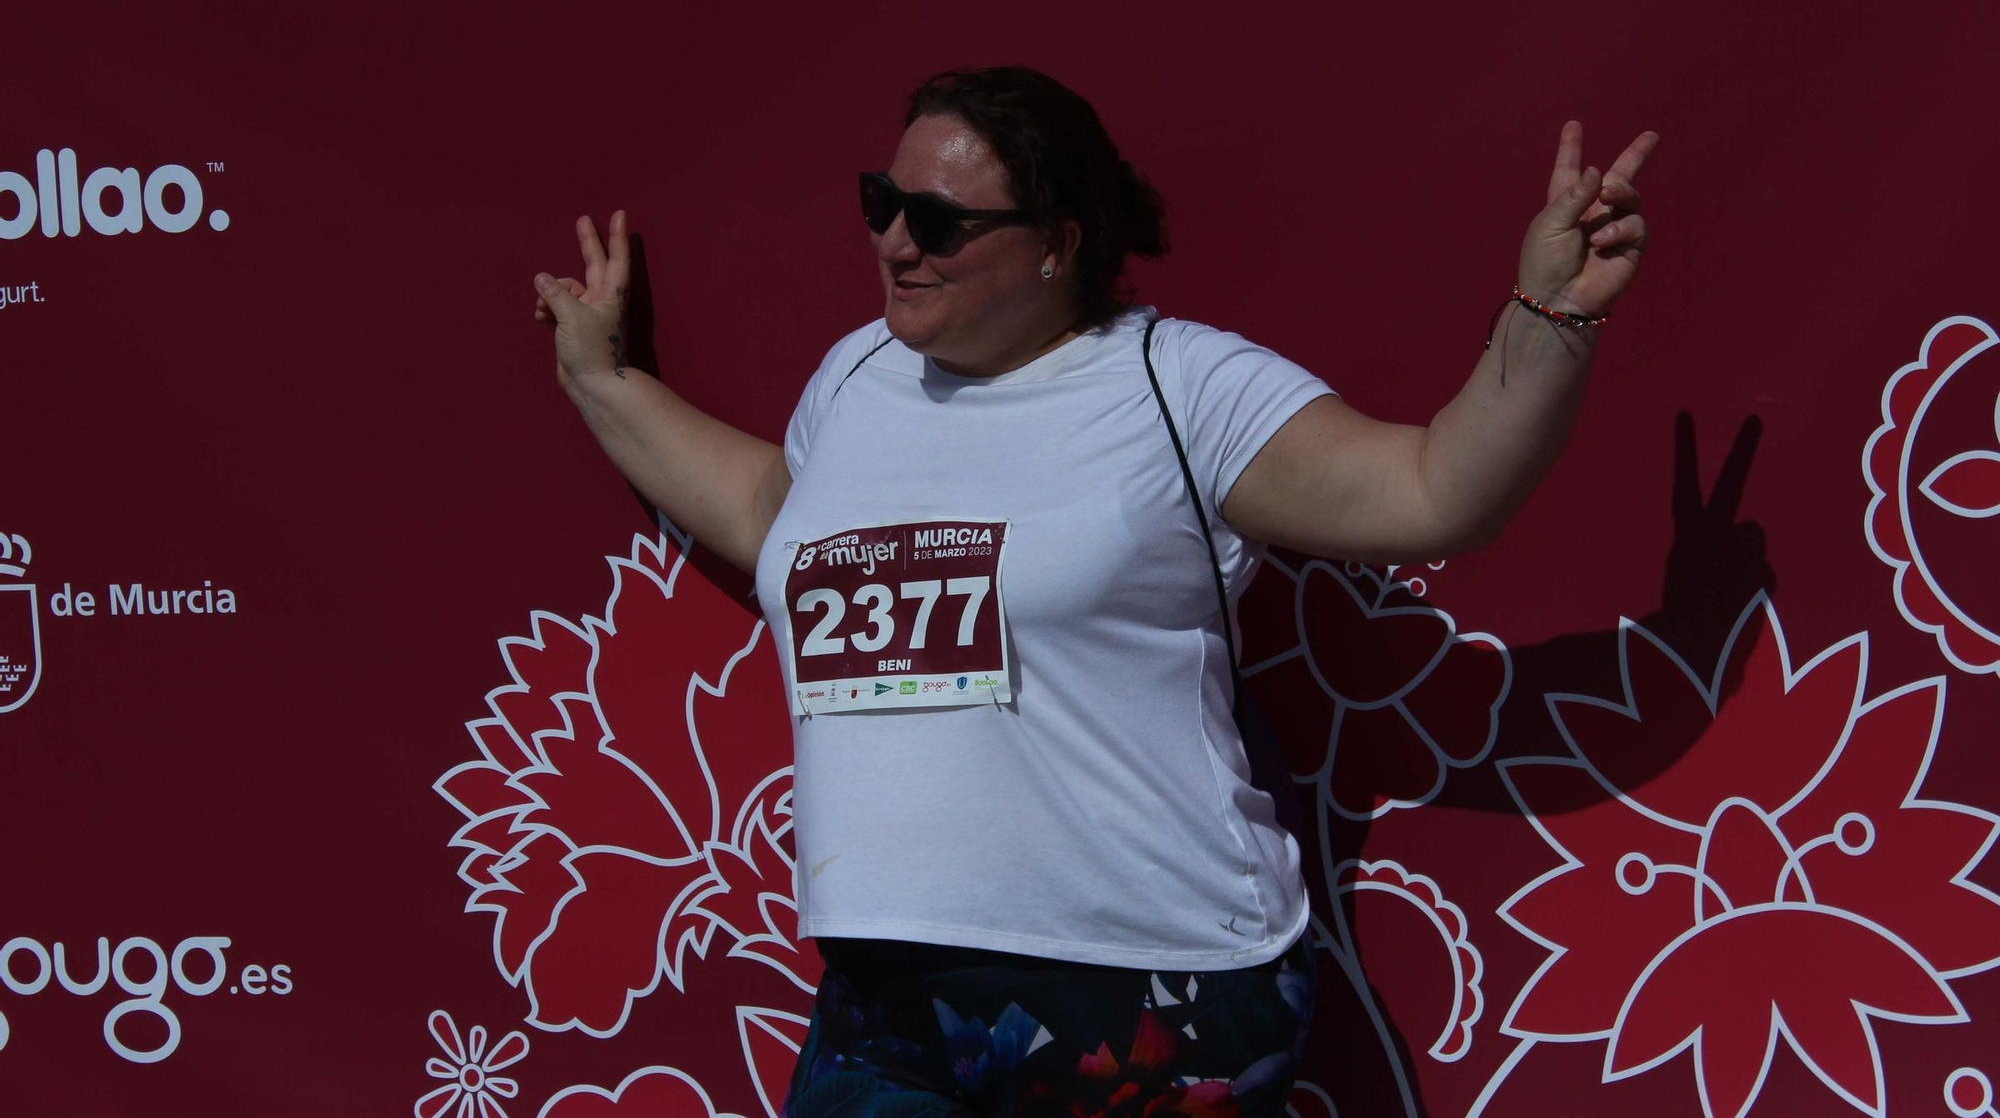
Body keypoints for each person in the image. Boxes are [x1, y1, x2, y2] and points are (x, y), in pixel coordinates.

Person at [531, 67, 1656, 1117]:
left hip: (1143, 994)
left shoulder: (1178, 385)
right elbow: (765, 514)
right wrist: (598, 377)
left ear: (1055, 245)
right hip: (885, 996)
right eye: (881, 202)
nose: (892, 244)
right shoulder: (859, 377)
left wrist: (1550, 316)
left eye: (937, 222)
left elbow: (1432, 490)